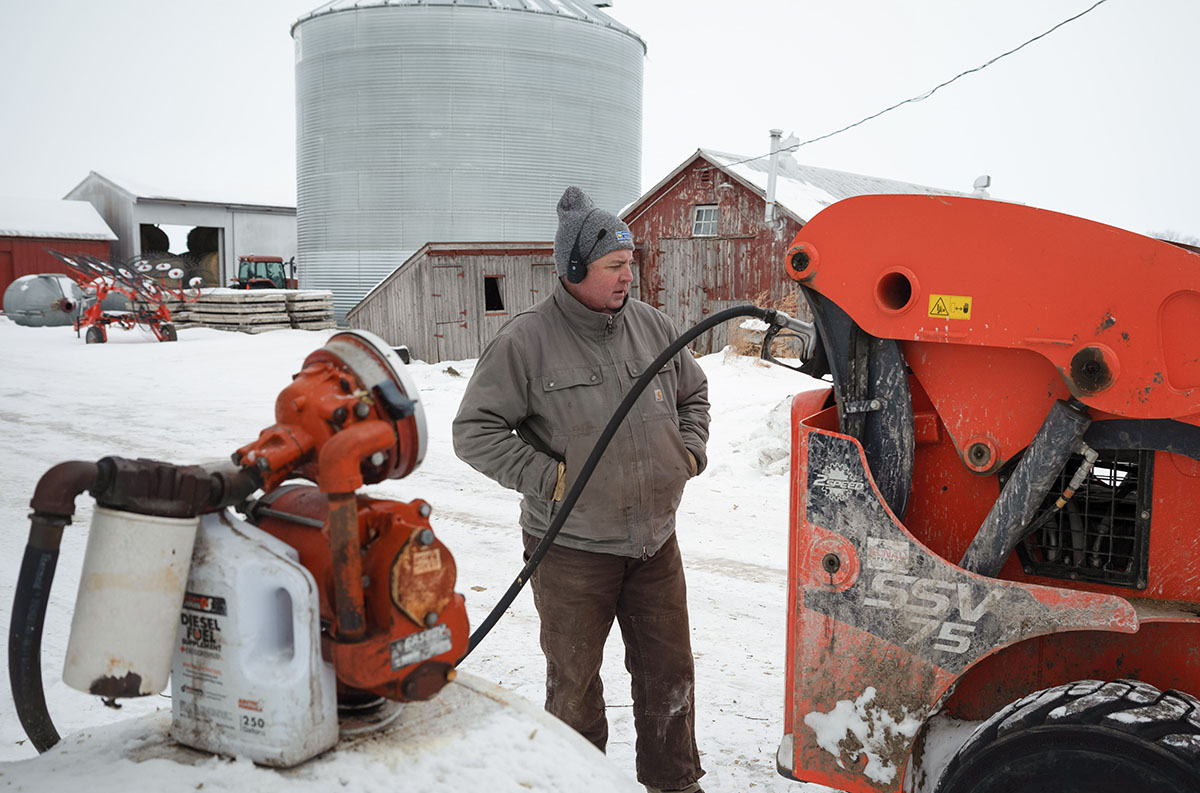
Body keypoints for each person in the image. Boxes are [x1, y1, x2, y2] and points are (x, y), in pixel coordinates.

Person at [452, 186, 710, 793]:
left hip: (654, 543)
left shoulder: (652, 326)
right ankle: (578, 783)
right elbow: (474, 431)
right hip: (570, 550)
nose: (628, 277)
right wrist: (551, 479)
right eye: (614, 267)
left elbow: (692, 393)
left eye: (630, 264)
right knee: (574, 683)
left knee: (669, 676)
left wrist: (689, 450)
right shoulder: (526, 341)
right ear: (573, 269)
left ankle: (675, 783)